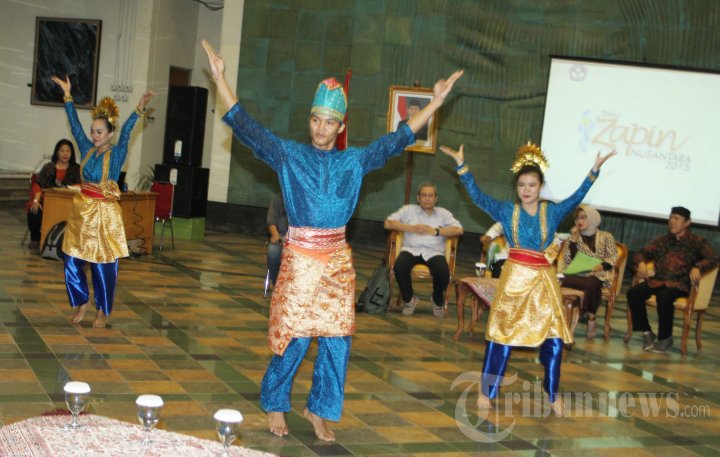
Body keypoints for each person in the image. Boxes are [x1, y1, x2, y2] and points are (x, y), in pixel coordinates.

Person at [202, 40, 462, 441]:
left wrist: (436, 102)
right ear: (309, 121)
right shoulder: (289, 155)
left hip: (337, 262)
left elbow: (397, 139)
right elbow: (247, 127)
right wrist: (221, 79)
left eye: (329, 122)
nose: (321, 128)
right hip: (300, 260)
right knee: (296, 336)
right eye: (316, 120)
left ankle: (318, 408)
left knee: (337, 340)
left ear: (340, 127)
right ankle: (276, 403)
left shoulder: (353, 161)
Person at [440, 141, 615, 415]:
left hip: (544, 281)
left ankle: (553, 393)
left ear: (540, 186)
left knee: (554, 338)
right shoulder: (506, 211)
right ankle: (487, 390)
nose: (526, 189)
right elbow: (478, 197)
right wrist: (463, 167)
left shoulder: (552, 211)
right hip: (514, 280)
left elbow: (576, 198)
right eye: (522, 185)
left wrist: (594, 170)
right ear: (517, 187)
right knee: (501, 335)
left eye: (532, 185)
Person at [51, 75, 154, 328]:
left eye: (99, 132)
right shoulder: (86, 149)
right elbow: (75, 125)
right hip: (83, 213)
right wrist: (67, 96)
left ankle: (102, 310)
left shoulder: (117, 154)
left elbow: (127, 132)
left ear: (109, 133)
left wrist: (139, 109)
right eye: (93, 132)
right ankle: (81, 301)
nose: (94, 135)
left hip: (105, 215)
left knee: (102, 265)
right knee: (71, 260)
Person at [626, 206, 717, 353]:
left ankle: (665, 338)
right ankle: (646, 332)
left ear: (687, 223)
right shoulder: (661, 240)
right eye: (671, 218)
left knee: (664, 296)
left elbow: (713, 259)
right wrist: (641, 262)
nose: (672, 222)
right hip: (658, 280)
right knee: (633, 293)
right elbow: (640, 253)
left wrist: (697, 267)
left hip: (680, 284)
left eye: (677, 219)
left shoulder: (697, 242)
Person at [384, 182, 463, 317]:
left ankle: (437, 300)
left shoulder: (443, 214)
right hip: (410, 249)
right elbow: (388, 223)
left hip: (434, 252)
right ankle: (410, 299)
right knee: (399, 267)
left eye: (430, 195)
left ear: (436, 198)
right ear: (418, 198)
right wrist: (410, 228)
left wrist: (436, 231)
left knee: (443, 272)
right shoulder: (408, 210)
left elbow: (459, 229)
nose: (427, 198)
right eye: (424, 195)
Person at [559, 205, 618, 340]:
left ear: (592, 218)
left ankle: (590, 316)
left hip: (597, 273)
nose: (579, 221)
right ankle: (583, 313)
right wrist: (573, 241)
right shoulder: (573, 238)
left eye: (583, 217)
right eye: (577, 218)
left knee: (592, 284)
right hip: (577, 273)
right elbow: (568, 259)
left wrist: (600, 266)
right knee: (561, 280)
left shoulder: (606, 236)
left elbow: (613, 257)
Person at [26, 139, 81, 249]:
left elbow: (81, 185)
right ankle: (36, 238)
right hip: (47, 202)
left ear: (72, 153)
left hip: (70, 204)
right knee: (34, 211)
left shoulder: (76, 169)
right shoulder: (48, 167)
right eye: (62, 151)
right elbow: (38, 185)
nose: (65, 154)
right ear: (57, 153)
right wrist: (36, 201)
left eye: (68, 151)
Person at [266, 192, 288, 287]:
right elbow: (271, 221)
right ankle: (276, 283)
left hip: (299, 238)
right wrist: (275, 235)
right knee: (273, 251)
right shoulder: (278, 198)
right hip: (281, 237)